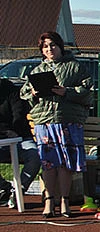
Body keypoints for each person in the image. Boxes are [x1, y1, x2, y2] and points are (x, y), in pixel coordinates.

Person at [20, 31, 92, 218]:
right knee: (48, 164)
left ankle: (65, 201)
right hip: (45, 122)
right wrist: (34, 94)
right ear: (41, 51)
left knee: (65, 164)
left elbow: (87, 90)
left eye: (52, 45)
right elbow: (24, 95)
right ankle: (49, 201)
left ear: (60, 46)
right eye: (45, 47)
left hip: (68, 121)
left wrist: (66, 92)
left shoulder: (75, 67)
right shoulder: (36, 71)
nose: (49, 49)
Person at [1, 78, 40, 209]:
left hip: (20, 138)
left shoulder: (12, 91)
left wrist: (12, 131)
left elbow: (19, 115)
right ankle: (5, 188)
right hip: (2, 138)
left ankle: (19, 191)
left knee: (34, 156)